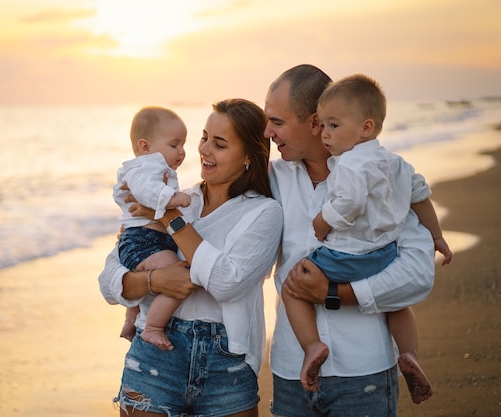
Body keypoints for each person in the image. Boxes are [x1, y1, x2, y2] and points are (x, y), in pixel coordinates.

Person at [265, 64, 437, 416]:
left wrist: (334, 295)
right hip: (289, 372)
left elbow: (418, 276)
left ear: (316, 122)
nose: (267, 132)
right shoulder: (272, 178)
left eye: (277, 122)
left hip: (364, 373)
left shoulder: (382, 177)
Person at [99, 98, 283, 417]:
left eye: (220, 144)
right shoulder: (178, 198)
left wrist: (172, 219)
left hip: (226, 365)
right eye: (204, 137)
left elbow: (226, 283)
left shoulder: (263, 213)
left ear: (249, 158)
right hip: (154, 356)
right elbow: (109, 281)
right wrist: (154, 280)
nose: (203, 150)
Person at [114, 106, 193, 350]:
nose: (181, 152)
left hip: (145, 239)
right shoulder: (145, 167)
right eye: (174, 145)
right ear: (145, 146)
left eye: (183, 145)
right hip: (143, 240)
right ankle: (152, 327)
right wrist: (171, 199)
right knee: (177, 275)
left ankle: (131, 320)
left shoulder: (154, 167)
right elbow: (144, 190)